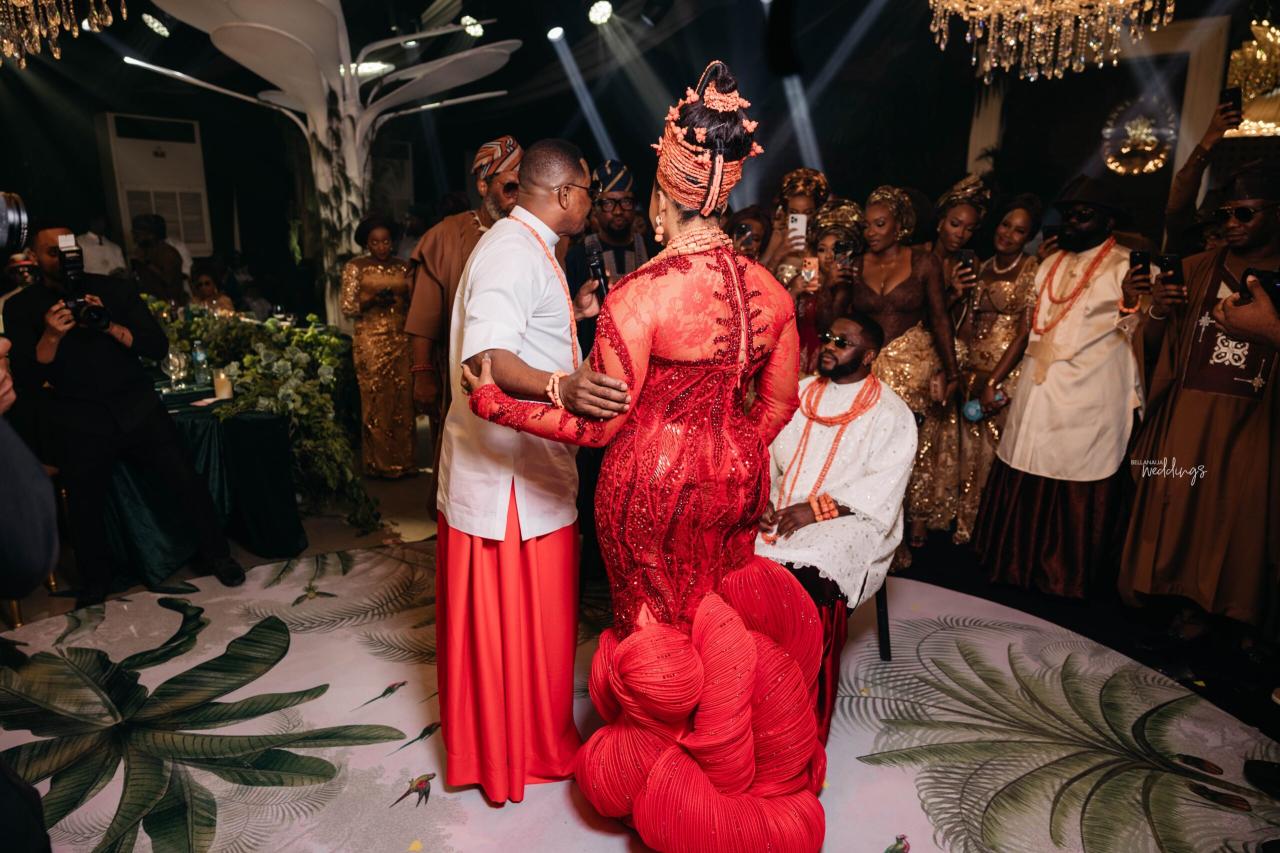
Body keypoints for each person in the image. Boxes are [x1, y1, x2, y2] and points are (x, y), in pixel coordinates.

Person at [464, 61, 825, 851]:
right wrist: (730, 450)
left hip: (648, 491)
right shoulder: (772, 292)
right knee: (718, 610)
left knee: (655, 622)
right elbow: (778, 404)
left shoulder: (640, 295)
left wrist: (497, 402)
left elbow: (598, 427)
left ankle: (662, 777)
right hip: (736, 479)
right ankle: (729, 756)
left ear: (663, 198)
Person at [435, 138, 626, 806]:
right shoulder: (513, 251)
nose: (592, 205)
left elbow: (523, 327)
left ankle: (529, 741)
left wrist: (574, 316)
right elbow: (486, 357)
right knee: (518, 629)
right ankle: (515, 753)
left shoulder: (530, 246)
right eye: (589, 193)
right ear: (566, 193)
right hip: (509, 482)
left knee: (536, 631)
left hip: (527, 469)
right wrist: (561, 387)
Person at [3, 226, 245, 605]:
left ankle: (218, 555)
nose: (64, 258)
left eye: (70, 250)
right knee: (85, 506)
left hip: (136, 406)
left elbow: (156, 346)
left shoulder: (115, 289)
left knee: (186, 481)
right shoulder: (21, 306)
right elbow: (27, 378)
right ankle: (96, 582)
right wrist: (51, 335)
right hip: (78, 417)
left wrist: (109, 324)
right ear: (34, 257)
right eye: (53, 252)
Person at [1119, 167, 1280, 643]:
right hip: (1189, 414)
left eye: (1244, 214)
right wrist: (1157, 309)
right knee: (1179, 510)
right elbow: (1152, 348)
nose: (1231, 224)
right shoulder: (1194, 268)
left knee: (1245, 519)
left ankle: (1240, 615)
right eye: (1224, 214)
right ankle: (1179, 603)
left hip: (1259, 422)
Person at [975, 177, 1142, 599]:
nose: (1072, 222)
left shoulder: (1129, 267)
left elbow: (1144, 333)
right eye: (1067, 214)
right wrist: (995, 379)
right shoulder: (1048, 264)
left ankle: (1064, 579)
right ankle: (1014, 568)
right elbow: (1030, 327)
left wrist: (1132, 301)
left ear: (1108, 221)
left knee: (1078, 469)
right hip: (1038, 387)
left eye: (1083, 215)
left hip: (1090, 392)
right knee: (1024, 460)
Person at [756, 310, 916, 744]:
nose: (828, 346)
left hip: (854, 517)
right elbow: (764, 455)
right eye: (828, 337)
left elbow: (884, 485)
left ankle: (797, 709)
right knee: (729, 550)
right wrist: (763, 500)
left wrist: (815, 511)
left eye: (842, 343)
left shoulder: (891, 412)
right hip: (784, 505)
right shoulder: (800, 393)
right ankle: (739, 685)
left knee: (814, 571)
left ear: (869, 356)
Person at [820, 185, 961, 563]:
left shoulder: (924, 262)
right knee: (867, 452)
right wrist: (835, 285)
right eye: (867, 226)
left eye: (879, 224)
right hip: (867, 370)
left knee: (905, 451)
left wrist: (952, 372)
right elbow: (833, 323)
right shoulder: (856, 263)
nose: (870, 232)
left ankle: (905, 528)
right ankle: (864, 530)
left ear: (900, 225)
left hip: (911, 369)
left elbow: (940, 318)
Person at [405, 134, 523, 504]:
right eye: (510, 186)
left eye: (524, 186)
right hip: (461, 378)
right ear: (483, 186)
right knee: (460, 468)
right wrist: (423, 374)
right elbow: (424, 314)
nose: (518, 196)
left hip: (520, 378)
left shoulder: (532, 234)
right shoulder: (445, 235)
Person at [562, 159, 656, 592]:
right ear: (596, 208)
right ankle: (591, 567)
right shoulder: (578, 254)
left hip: (644, 383)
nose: (618, 211)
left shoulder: (651, 249)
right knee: (592, 473)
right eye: (609, 203)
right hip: (593, 375)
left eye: (626, 202)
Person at [944, 194, 1042, 544]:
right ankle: (966, 527)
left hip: (1006, 376)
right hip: (973, 372)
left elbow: (1024, 333)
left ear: (1029, 237)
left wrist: (995, 381)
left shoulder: (1033, 270)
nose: (1008, 234)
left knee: (995, 456)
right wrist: (960, 370)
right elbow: (966, 325)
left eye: (1019, 231)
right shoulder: (982, 267)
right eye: (1005, 225)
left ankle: (992, 533)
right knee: (968, 456)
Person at [341, 215, 415, 478]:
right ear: (366, 243)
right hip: (370, 341)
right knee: (375, 398)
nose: (381, 247)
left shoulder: (403, 266)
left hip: (401, 338)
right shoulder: (355, 267)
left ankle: (405, 461)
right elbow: (348, 306)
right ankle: (377, 463)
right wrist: (372, 299)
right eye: (375, 242)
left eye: (385, 241)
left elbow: (414, 300)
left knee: (402, 398)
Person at [791, 198, 863, 375]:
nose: (829, 256)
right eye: (822, 249)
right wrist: (792, 293)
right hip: (795, 359)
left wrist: (828, 287)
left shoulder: (846, 284)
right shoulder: (803, 279)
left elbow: (828, 327)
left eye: (835, 249)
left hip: (826, 361)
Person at [1164, 96, 1243, 255]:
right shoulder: (1190, 253)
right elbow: (1179, 203)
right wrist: (1209, 138)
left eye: (1217, 236)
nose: (1209, 245)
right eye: (1204, 239)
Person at [760, 166, 830, 280]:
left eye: (808, 212)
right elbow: (756, 281)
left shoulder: (824, 241)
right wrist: (778, 254)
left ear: (818, 211)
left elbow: (810, 283)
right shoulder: (778, 236)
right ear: (786, 212)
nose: (801, 218)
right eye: (794, 212)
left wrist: (809, 254)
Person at [130, 213, 185, 303]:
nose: (134, 238)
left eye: (137, 234)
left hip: (169, 304)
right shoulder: (144, 251)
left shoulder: (168, 253)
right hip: (150, 303)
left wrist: (146, 263)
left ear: (151, 235)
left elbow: (168, 280)